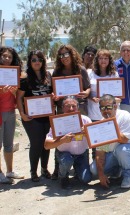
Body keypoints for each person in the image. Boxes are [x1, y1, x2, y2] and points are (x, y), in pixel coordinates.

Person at [51, 44, 91, 179]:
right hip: (63, 110)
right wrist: (55, 96)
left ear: (72, 54)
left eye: (66, 54)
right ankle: (59, 168)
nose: (63, 58)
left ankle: (81, 162)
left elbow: (88, 88)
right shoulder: (57, 72)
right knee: (60, 137)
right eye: (61, 55)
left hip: (79, 108)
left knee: (81, 134)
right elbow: (53, 92)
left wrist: (86, 93)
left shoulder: (81, 70)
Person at [90, 94, 130, 189]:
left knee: (121, 150)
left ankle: (129, 174)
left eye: (109, 107)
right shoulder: (101, 124)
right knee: (94, 169)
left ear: (115, 106)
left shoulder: (124, 116)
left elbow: (124, 140)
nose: (106, 110)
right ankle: (118, 170)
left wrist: (111, 122)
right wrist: (101, 174)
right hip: (113, 154)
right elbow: (100, 152)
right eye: (102, 108)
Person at [16, 50, 52, 182]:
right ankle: (33, 171)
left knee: (46, 143)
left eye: (40, 60)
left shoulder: (48, 76)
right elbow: (19, 98)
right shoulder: (25, 78)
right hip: (31, 118)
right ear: (30, 62)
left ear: (43, 62)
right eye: (34, 60)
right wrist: (22, 114)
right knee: (36, 143)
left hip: (47, 116)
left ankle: (44, 169)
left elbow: (52, 94)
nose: (37, 62)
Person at [44, 96, 93, 189]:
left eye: (73, 106)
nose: (71, 109)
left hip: (81, 154)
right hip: (64, 154)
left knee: (86, 179)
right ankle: (63, 176)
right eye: (67, 106)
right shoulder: (57, 121)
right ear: (62, 108)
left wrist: (87, 133)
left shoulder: (86, 120)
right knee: (66, 160)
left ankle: (77, 171)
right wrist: (62, 140)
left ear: (78, 107)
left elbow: (95, 141)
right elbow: (46, 145)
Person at [0, 47, 24, 184]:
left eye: (9, 57)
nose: (7, 59)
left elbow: (17, 97)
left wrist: (15, 91)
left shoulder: (14, 73)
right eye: (4, 56)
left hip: (10, 112)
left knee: (8, 144)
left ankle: (9, 171)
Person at [87, 49, 120, 122]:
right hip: (94, 112)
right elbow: (86, 91)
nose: (103, 60)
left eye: (106, 58)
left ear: (109, 60)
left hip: (110, 112)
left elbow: (118, 94)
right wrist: (92, 98)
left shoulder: (114, 74)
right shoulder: (90, 73)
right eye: (101, 58)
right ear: (97, 60)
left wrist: (117, 99)